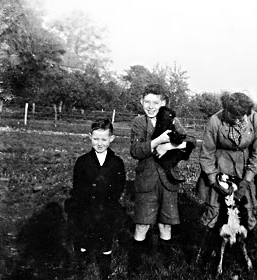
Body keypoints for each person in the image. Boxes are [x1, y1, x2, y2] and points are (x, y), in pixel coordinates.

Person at [196, 92, 257, 259]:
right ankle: (205, 254)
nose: (236, 120)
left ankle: (250, 255)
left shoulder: (256, 120)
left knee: (247, 213)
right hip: (219, 169)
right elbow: (207, 154)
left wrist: (247, 181)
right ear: (226, 110)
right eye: (232, 115)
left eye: (241, 117)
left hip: (244, 171)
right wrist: (213, 181)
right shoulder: (215, 120)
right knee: (213, 211)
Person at [130, 84, 195, 250]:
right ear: (141, 101)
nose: (150, 106)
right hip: (146, 181)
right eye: (147, 102)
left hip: (169, 180)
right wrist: (157, 141)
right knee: (142, 224)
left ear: (163, 103)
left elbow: (191, 141)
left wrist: (168, 147)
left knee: (166, 224)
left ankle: (163, 265)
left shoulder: (172, 120)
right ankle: (137, 265)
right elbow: (136, 151)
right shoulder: (139, 122)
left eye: (155, 102)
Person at [64, 118, 126, 279]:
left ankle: (104, 269)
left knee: (105, 239)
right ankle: (81, 267)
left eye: (104, 139)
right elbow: (78, 187)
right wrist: (84, 205)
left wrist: (108, 205)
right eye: (96, 139)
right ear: (90, 136)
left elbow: (119, 186)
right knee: (83, 237)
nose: (99, 143)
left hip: (107, 209)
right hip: (85, 209)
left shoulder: (117, 163)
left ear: (111, 139)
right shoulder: (83, 162)